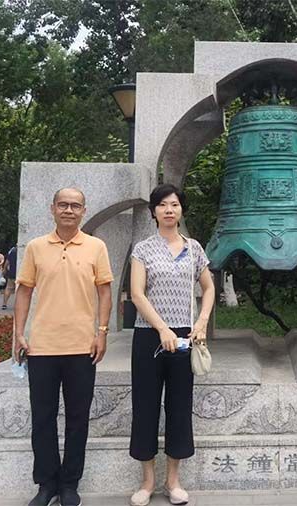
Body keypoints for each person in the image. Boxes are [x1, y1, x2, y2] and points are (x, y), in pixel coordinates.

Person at [14, 188, 113, 506]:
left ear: (84, 211)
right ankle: (46, 484)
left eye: (75, 205)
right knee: (42, 419)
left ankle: (70, 484)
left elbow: (105, 292)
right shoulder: (36, 247)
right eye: (63, 205)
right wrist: (18, 334)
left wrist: (102, 332)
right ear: (52, 208)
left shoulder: (96, 247)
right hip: (42, 347)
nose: (69, 210)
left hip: (82, 348)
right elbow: (24, 292)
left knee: (77, 419)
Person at [129, 184, 215, 506]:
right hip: (148, 335)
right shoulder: (143, 249)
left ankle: (173, 481)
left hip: (184, 337)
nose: (169, 210)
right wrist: (162, 328)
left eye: (175, 204)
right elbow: (137, 294)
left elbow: (208, 288)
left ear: (181, 210)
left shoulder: (194, 248)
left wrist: (201, 322)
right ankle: (147, 482)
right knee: (145, 407)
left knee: (179, 407)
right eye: (163, 204)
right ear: (153, 211)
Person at [2, 245, 17, 309]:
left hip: (12, 272)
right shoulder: (25, 249)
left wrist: (4, 269)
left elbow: (7, 261)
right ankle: (18, 304)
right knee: (19, 289)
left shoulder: (12, 250)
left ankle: (4, 304)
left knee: (8, 288)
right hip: (21, 272)